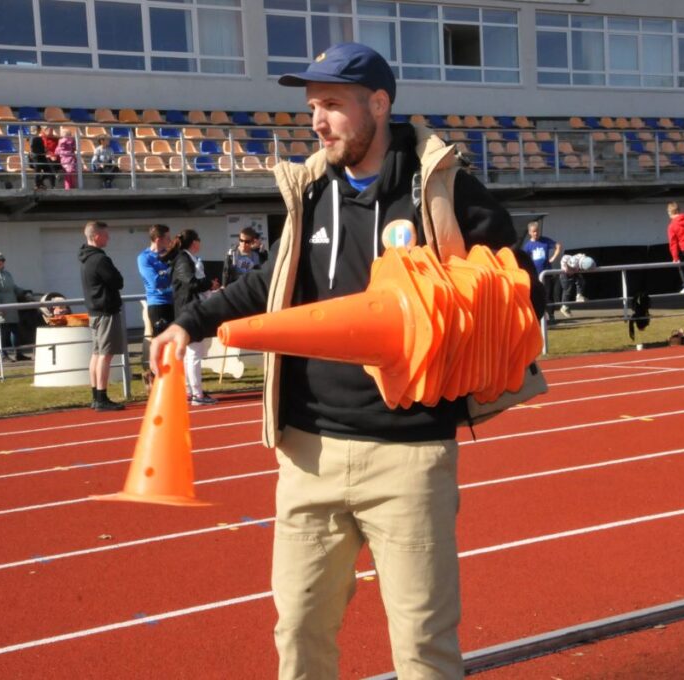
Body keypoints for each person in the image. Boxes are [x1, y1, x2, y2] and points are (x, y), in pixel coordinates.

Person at [149, 42, 515, 678]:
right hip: (307, 452)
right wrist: (189, 322)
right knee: (298, 630)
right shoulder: (310, 190)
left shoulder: (444, 188)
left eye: (332, 105)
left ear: (379, 104)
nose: (317, 121)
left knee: (424, 644)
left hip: (409, 454)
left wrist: (453, 306)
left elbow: (513, 290)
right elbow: (269, 282)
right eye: (312, 106)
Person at [169, 228, 220, 405]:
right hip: (189, 310)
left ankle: (191, 392)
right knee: (194, 352)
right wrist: (209, 284)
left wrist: (208, 284)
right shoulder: (183, 259)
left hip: (189, 308)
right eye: (199, 240)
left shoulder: (187, 258)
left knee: (191, 352)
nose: (200, 243)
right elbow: (190, 283)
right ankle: (196, 394)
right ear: (194, 242)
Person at [79, 220, 126, 411]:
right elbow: (118, 281)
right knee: (105, 355)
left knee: (97, 354)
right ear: (97, 236)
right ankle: (101, 397)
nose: (109, 238)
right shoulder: (100, 259)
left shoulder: (86, 258)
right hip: (106, 311)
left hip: (94, 311)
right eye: (106, 235)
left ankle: (96, 396)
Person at [138, 224, 175, 376]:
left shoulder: (172, 254)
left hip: (174, 302)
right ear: (158, 239)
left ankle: (173, 374)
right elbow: (155, 282)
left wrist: (167, 275)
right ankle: (156, 375)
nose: (170, 241)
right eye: (167, 238)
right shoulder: (144, 257)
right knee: (160, 341)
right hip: (158, 304)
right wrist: (170, 275)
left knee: (175, 340)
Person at [0, 252, 31, 361]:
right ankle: (3, 354)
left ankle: (18, 353)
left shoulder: (7, 274)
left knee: (15, 330)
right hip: (0, 306)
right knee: (2, 331)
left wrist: (23, 292)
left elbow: (13, 287)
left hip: (11, 304)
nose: (1, 262)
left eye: (3, 260)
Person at [521, 220, 561, 319]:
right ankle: (538, 315)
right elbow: (525, 259)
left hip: (546, 273)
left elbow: (558, 246)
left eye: (537, 231)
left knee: (547, 293)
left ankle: (551, 315)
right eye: (534, 231)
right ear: (530, 232)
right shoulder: (528, 246)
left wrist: (553, 258)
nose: (536, 233)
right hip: (535, 274)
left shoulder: (545, 241)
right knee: (537, 295)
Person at [558, 252, 595, 318]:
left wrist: (577, 270)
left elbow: (585, 258)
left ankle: (579, 295)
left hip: (574, 270)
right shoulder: (565, 263)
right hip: (565, 275)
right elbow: (568, 269)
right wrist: (569, 269)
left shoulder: (581, 258)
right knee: (568, 290)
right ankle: (564, 306)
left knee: (581, 281)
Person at [28, 125, 54, 189]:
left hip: (40, 156)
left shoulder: (34, 137)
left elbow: (35, 147)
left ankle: (39, 183)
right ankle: (38, 184)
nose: (40, 130)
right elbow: (33, 148)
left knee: (47, 170)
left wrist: (44, 150)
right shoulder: (34, 138)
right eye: (39, 129)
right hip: (37, 157)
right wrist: (44, 151)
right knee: (39, 171)